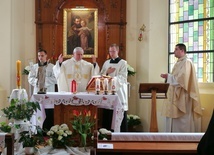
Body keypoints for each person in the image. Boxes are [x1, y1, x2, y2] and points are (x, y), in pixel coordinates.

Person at [160, 43, 202, 132]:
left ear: (182, 51)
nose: (174, 51)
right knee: (176, 119)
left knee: (183, 119)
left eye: (176, 49)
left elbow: (182, 80)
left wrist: (169, 77)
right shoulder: (179, 62)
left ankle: (183, 139)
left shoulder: (187, 62)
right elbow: (177, 77)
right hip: (177, 94)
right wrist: (169, 77)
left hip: (183, 96)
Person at [100, 43, 128, 132]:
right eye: (110, 51)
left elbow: (123, 77)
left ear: (117, 51)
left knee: (118, 111)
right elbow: (101, 76)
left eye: (113, 51)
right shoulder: (106, 62)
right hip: (107, 91)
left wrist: (112, 79)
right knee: (108, 113)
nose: (111, 53)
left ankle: (121, 134)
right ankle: (106, 133)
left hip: (118, 91)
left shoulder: (123, 63)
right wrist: (107, 72)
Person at [28, 49, 57, 130]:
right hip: (38, 92)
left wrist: (44, 81)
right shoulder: (34, 67)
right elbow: (30, 78)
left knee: (49, 113)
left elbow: (56, 78)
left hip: (49, 92)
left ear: (46, 56)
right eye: (39, 56)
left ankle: (48, 130)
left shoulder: (52, 67)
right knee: (38, 111)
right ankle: (38, 130)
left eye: (42, 55)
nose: (40, 57)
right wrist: (38, 82)